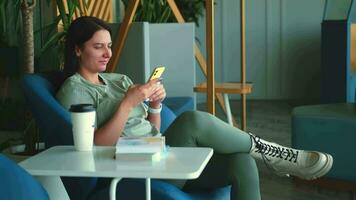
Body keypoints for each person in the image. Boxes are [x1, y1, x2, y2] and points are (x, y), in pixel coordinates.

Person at [56, 16, 333, 200]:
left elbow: (149, 132)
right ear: (78, 50)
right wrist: (128, 103)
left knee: (242, 163)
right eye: (98, 47)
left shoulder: (119, 80)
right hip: (132, 169)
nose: (107, 54)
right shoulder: (73, 89)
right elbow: (93, 146)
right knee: (191, 121)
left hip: (155, 152)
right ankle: (274, 153)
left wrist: (154, 105)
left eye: (109, 46)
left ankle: (265, 154)